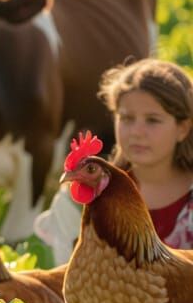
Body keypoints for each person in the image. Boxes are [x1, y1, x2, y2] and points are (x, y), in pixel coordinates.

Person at [35, 58, 193, 258]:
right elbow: (65, 277)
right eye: (127, 118)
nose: (137, 131)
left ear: (182, 129)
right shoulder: (81, 198)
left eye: (152, 120)